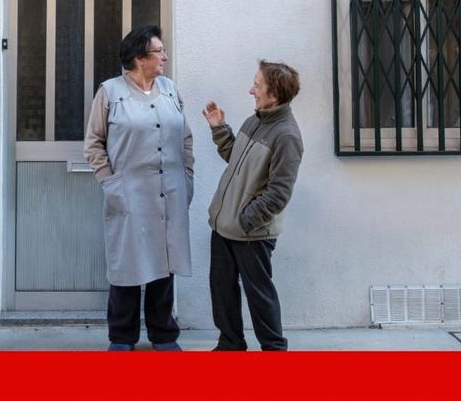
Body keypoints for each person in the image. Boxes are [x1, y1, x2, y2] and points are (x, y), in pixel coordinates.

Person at [84, 25, 193, 352]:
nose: (165, 57)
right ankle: (122, 336)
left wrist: (187, 178)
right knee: (126, 267)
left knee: (164, 266)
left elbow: (185, 138)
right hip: (129, 194)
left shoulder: (170, 89)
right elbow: (93, 144)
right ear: (138, 58)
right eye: (159, 51)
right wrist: (111, 182)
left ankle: (163, 334)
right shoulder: (110, 92)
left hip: (170, 192)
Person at [202, 60, 303, 351]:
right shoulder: (255, 120)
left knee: (259, 295)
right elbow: (237, 160)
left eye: (257, 85)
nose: (251, 90)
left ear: (274, 94)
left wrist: (246, 220)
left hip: (252, 232)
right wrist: (219, 129)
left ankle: (274, 349)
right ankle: (230, 345)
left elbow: (280, 191)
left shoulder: (287, 136)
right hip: (224, 227)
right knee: (222, 290)